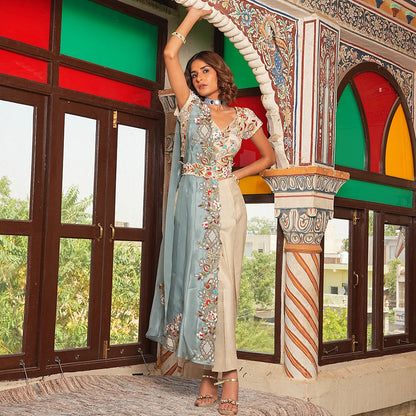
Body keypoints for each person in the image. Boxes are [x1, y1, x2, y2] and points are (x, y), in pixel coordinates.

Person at [146, 6, 276, 416]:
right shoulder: (190, 109)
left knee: (224, 289)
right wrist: (194, 16)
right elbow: (170, 55)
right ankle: (208, 373)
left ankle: (228, 376)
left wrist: (235, 177)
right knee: (195, 290)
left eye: (204, 71)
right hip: (190, 203)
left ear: (221, 73)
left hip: (226, 204)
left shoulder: (242, 117)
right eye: (194, 74)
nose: (198, 78)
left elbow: (268, 157)